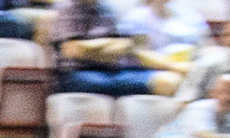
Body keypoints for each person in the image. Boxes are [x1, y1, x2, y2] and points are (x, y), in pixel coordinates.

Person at [51, 0, 180, 97]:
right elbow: (71, 49)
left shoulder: (105, 9)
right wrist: (112, 45)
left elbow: (126, 48)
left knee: (170, 82)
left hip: (112, 70)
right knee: (164, 83)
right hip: (77, 74)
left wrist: (171, 65)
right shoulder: (68, 7)